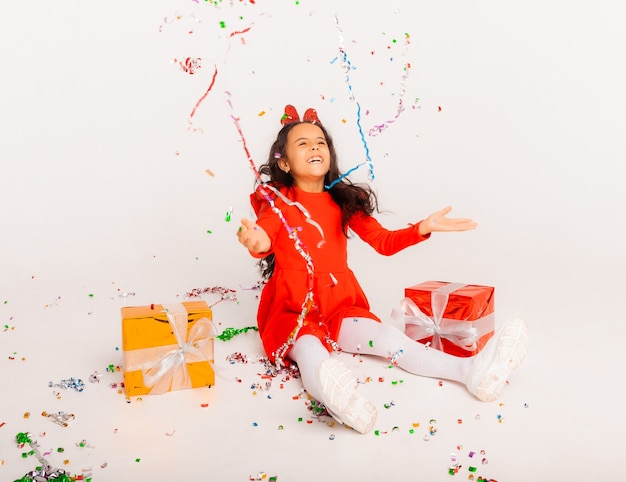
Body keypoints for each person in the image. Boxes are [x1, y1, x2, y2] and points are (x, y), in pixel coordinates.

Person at [237, 105, 529, 434]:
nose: (315, 147)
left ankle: (470, 371)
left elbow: (383, 241)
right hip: (294, 307)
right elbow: (263, 236)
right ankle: (341, 401)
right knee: (308, 349)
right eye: (303, 143)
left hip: (338, 303)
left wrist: (421, 227)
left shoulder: (343, 201)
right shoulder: (277, 201)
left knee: (387, 337)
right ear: (285, 162)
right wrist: (254, 239)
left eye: (320, 142)